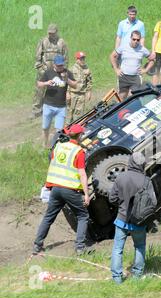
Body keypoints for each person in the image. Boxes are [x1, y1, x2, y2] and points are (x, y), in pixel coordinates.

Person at [33, 124, 91, 256]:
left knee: (49, 217)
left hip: (55, 189)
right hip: (70, 189)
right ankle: (80, 248)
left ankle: (37, 245)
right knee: (83, 216)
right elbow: (82, 174)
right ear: (80, 136)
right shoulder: (79, 151)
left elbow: (53, 161)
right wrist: (86, 194)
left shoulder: (58, 147)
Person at [109, 152, 157, 284]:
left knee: (118, 249)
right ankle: (137, 276)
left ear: (130, 162)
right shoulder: (146, 180)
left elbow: (112, 198)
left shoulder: (121, 177)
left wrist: (122, 204)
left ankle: (117, 278)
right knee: (140, 246)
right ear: (142, 164)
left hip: (121, 219)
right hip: (139, 221)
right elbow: (153, 202)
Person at [38, 55, 77, 148]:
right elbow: (39, 84)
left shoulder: (67, 73)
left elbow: (75, 85)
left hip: (61, 107)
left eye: (62, 65)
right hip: (48, 105)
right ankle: (44, 144)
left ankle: (54, 147)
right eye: (58, 65)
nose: (60, 67)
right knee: (45, 127)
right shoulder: (48, 72)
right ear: (54, 64)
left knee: (58, 129)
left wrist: (66, 79)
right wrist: (46, 83)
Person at [31, 24, 68, 119]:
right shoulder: (43, 41)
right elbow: (38, 56)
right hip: (44, 70)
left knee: (57, 90)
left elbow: (66, 58)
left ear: (56, 32)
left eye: (53, 33)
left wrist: (64, 70)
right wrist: (40, 68)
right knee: (39, 91)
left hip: (57, 71)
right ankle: (36, 111)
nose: (51, 35)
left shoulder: (62, 42)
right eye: (49, 33)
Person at [110, 31, 155, 100]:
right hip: (123, 76)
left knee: (134, 99)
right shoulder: (123, 47)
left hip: (136, 78)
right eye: (134, 39)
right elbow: (112, 56)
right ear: (130, 38)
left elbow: (152, 60)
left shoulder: (142, 49)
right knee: (121, 100)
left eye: (138, 40)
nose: (135, 41)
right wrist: (116, 69)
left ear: (140, 40)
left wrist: (145, 70)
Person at [67, 51, 93, 122]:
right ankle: (67, 126)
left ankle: (76, 127)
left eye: (83, 58)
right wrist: (67, 93)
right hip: (73, 93)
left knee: (79, 112)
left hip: (82, 94)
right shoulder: (72, 69)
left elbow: (89, 82)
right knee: (70, 110)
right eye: (81, 59)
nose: (82, 60)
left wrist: (89, 92)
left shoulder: (87, 69)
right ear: (77, 59)